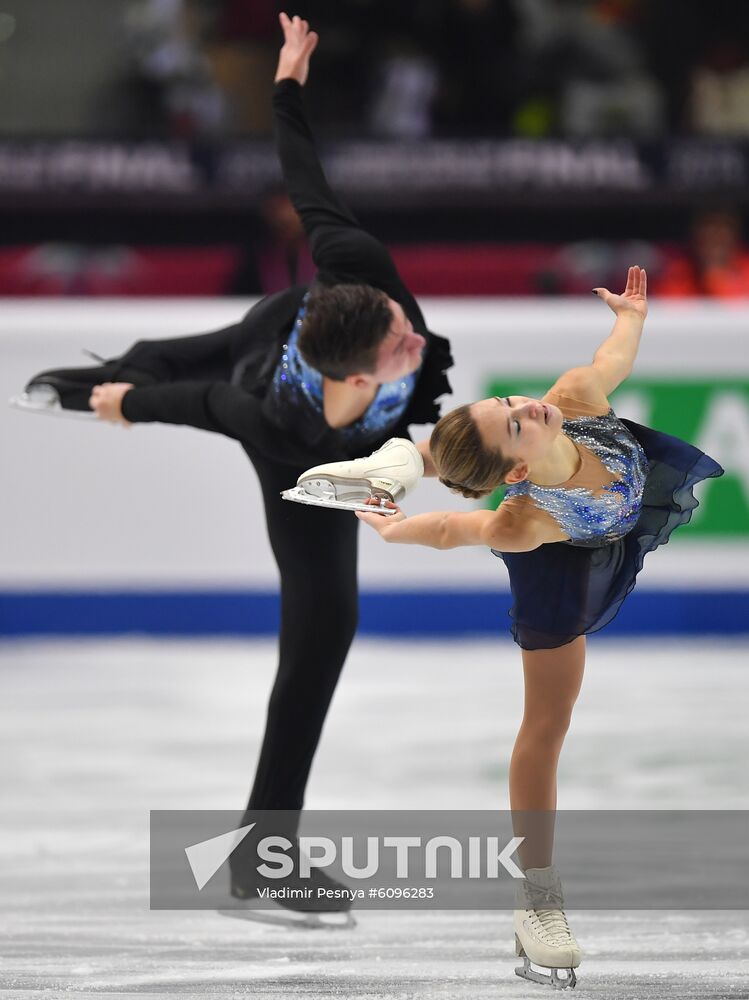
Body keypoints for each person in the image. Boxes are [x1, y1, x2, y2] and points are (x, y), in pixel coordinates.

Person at [14, 13, 452, 915]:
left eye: (403, 320)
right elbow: (204, 408)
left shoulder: (362, 274)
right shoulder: (278, 422)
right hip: (273, 401)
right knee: (322, 615)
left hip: (305, 346)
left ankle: (262, 847)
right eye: (404, 339)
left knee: (177, 369)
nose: (420, 330)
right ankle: (89, 383)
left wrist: (288, 82)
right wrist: (125, 403)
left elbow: (308, 183)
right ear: (361, 372)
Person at [329, 265, 722, 986]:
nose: (527, 409)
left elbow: (611, 361)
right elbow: (453, 527)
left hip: (610, 514)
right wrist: (394, 533)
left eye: (510, 401)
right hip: (560, 561)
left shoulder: (570, 399)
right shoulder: (522, 519)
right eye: (514, 423)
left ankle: (401, 456)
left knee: (459, 450)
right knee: (546, 725)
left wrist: (630, 316)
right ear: (514, 469)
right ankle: (536, 898)